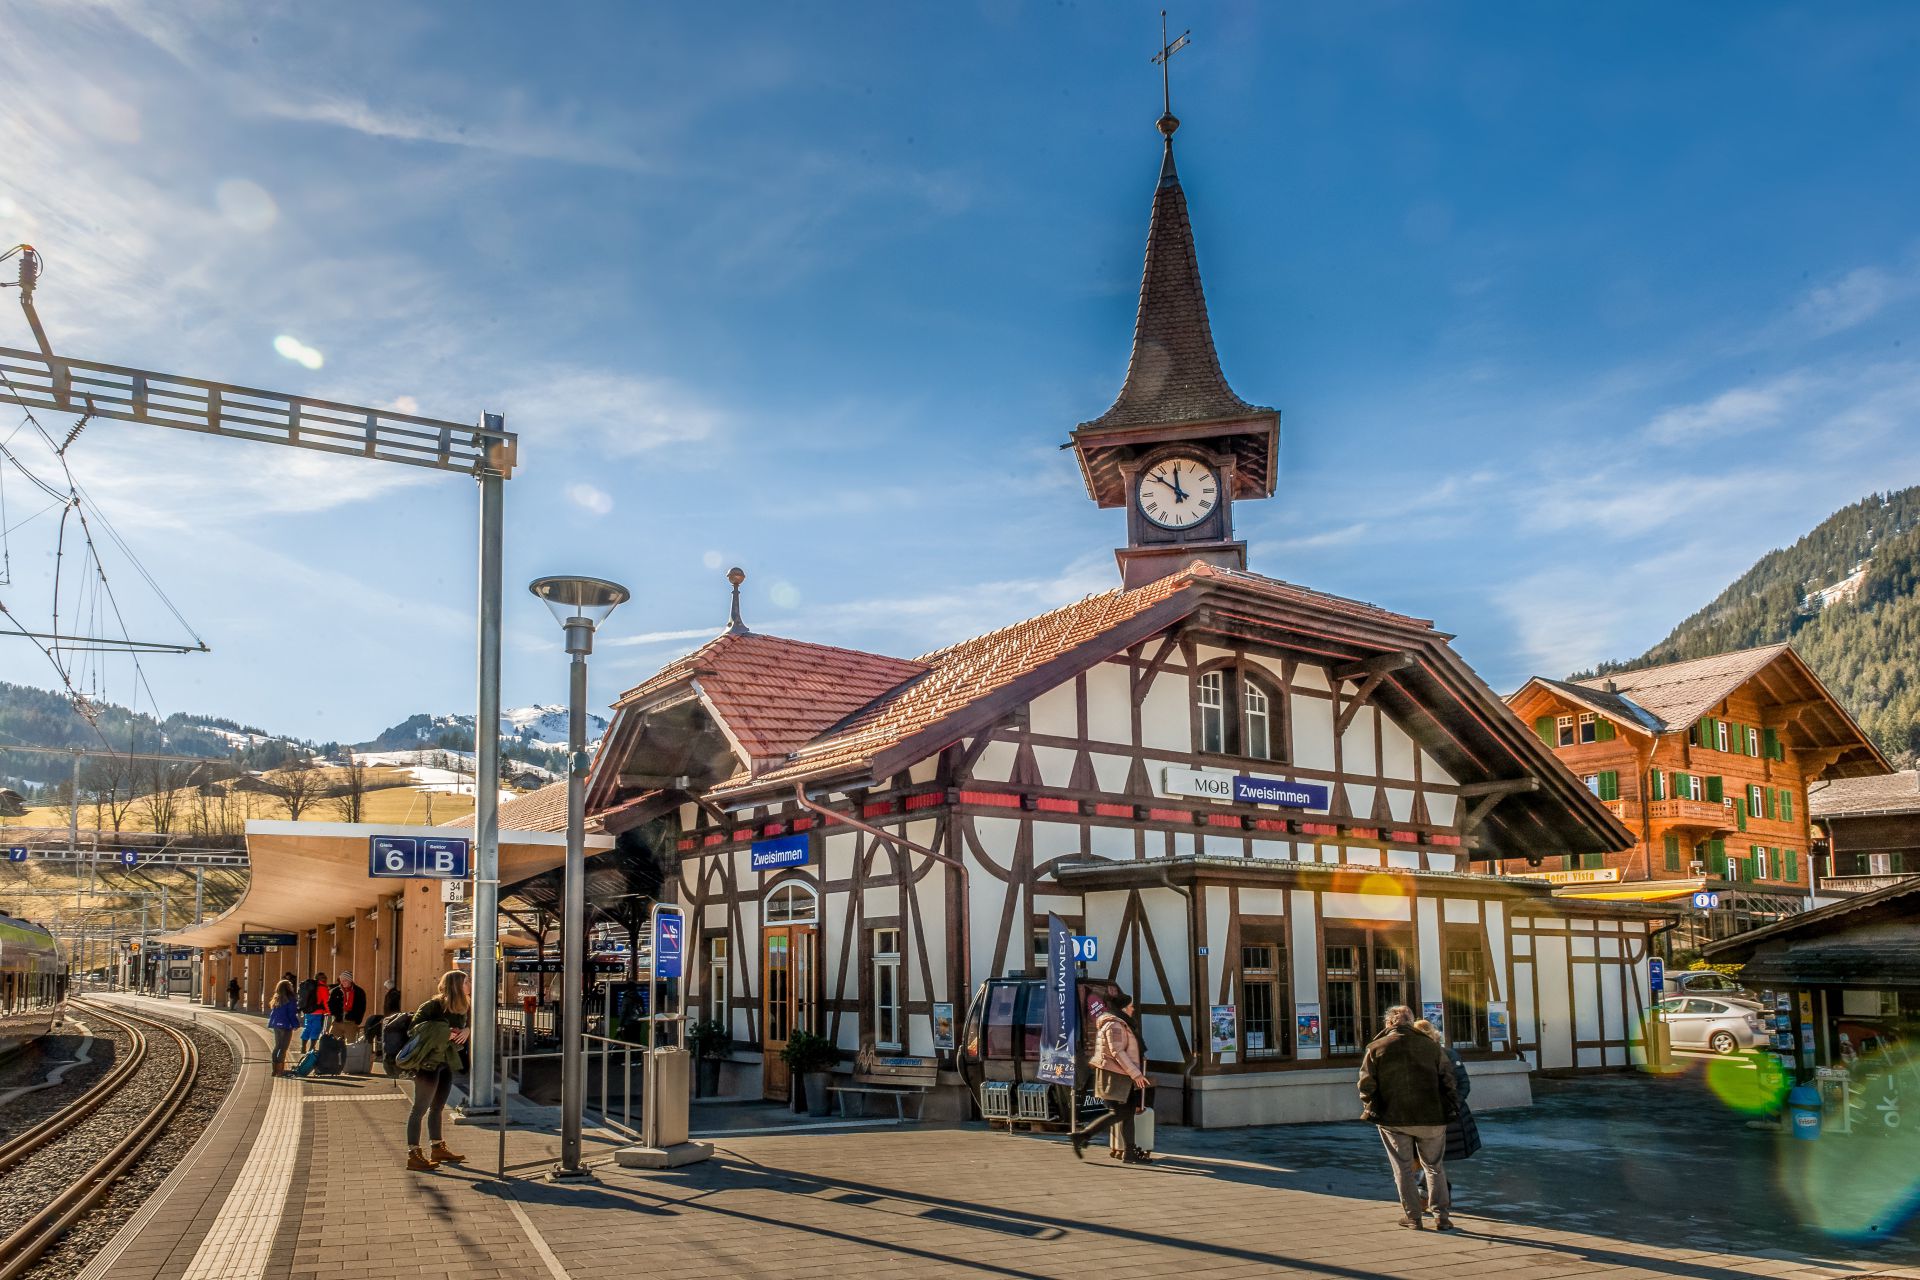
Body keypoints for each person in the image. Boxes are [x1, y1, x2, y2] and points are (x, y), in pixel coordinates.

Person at [1358, 1005, 1461, 1231]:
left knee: (1402, 1169)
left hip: (1393, 1118)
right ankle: (1442, 1217)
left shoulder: (1376, 1047)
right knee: (1434, 1167)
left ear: (1389, 1023)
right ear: (1411, 1021)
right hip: (1432, 1117)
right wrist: (1451, 1107)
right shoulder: (1431, 1046)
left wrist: (1373, 1106)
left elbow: (1366, 1085)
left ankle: (1413, 1217)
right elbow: (1449, 1080)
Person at [1068, 991, 1153, 1164]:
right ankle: (1082, 1135)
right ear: (1123, 1008)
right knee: (1119, 1113)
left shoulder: (1120, 1023)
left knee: (1127, 1113)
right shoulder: (1114, 1024)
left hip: (1122, 1074)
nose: (1133, 1009)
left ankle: (1129, 1153)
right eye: (1130, 1006)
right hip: (1115, 1076)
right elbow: (1117, 1052)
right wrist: (1136, 1074)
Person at [402, 969, 472, 1172]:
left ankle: (437, 1147)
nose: (469, 984)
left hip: (445, 1062)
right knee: (419, 1109)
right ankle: (413, 1154)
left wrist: (467, 1030)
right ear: (456, 985)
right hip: (427, 1064)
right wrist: (445, 1032)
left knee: (438, 1108)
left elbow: (467, 1028)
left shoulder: (463, 1007)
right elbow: (414, 1030)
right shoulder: (432, 1005)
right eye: (466, 981)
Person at [1415, 1019, 1482, 1168]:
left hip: (1447, 1114)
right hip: (1442, 1112)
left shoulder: (1448, 1054)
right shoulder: (1414, 1057)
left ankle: (1431, 1180)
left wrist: (1453, 1104)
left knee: (1432, 1159)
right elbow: (1464, 1084)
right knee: (1432, 1160)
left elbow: (1463, 1083)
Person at [266, 980, 300, 1074]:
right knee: (283, 1048)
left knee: (277, 1046)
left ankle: (274, 1070)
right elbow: (291, 1014)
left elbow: (273, 1014)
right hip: (286, 1026)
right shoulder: (291, 999)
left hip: (276, 1025)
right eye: (291, 985)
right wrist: (295, 1024)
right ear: (288, 987)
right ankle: (280, 1071)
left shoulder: (276, 998)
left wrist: (272, 1023)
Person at [328, 970, 369, 1043]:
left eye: (345, 981)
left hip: (351, 1022)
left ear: (350, 980)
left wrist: (357, 1020)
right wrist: (335, 1014)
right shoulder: (336, 991)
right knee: (331, 1042)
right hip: (338, 1021)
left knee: (351, 1044)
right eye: (341, 981)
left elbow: (362, 1007)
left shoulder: (359, 992)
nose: (342, 983)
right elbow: (331, 1004)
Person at [297, 971, 329, 1056]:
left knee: (307, 1028)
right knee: (316, 1029)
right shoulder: (322, 987)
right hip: (318, 1012)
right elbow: (326, 1001)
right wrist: (329, 1012)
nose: (325, 979)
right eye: (324, 978)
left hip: (308, 1011)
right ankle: (311, 1048)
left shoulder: (310, 986)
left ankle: (303, 1047)